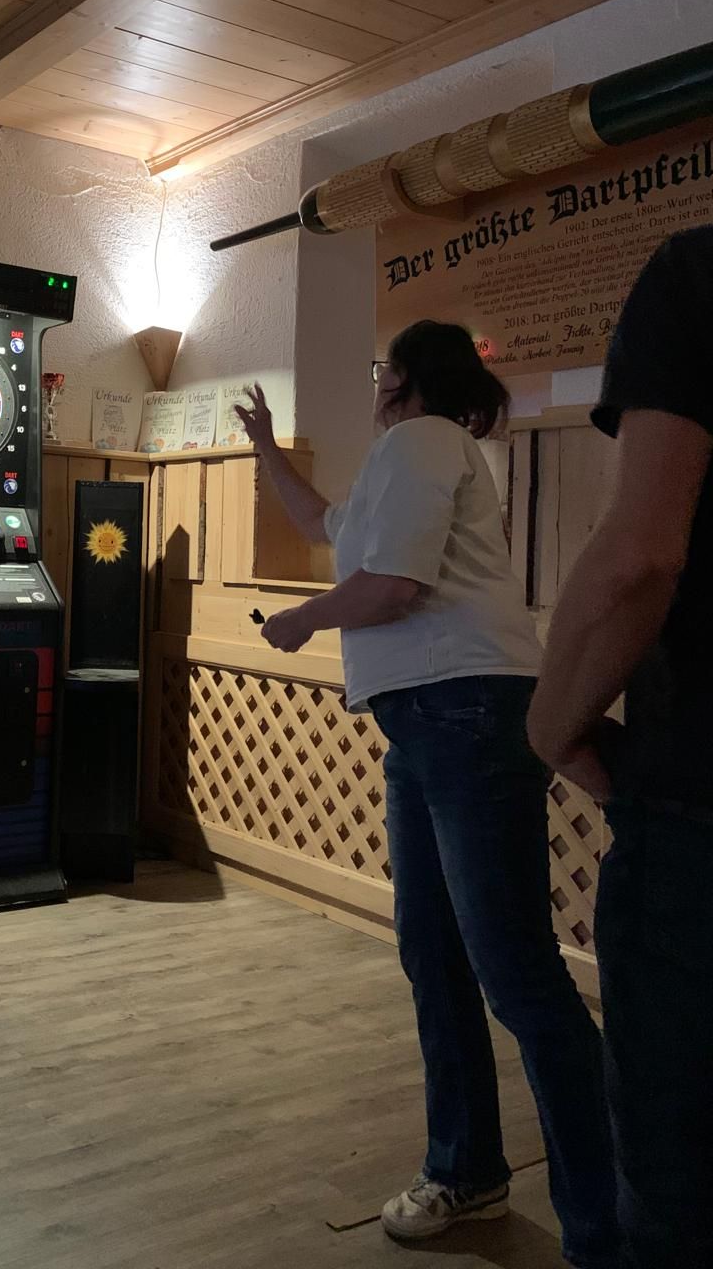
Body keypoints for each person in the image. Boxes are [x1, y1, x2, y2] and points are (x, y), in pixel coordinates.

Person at [236, 320, 620, 1269]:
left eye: (384, 368)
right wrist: (267, 449)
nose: (376, 382)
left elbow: (395, 588)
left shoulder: (423, 440)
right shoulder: (406, 457)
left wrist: (302, 619)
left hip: (465, 714)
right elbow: (322, 524)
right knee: (438, 957)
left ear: (408, 378)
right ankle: (468, 1170)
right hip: (431, 724)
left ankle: (611, 1228)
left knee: (515, 974)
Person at [528, 227, 713, 1269]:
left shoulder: (697, 275)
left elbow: (639, 555)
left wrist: (549, 721)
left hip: (700, 820)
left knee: (678, 1210)